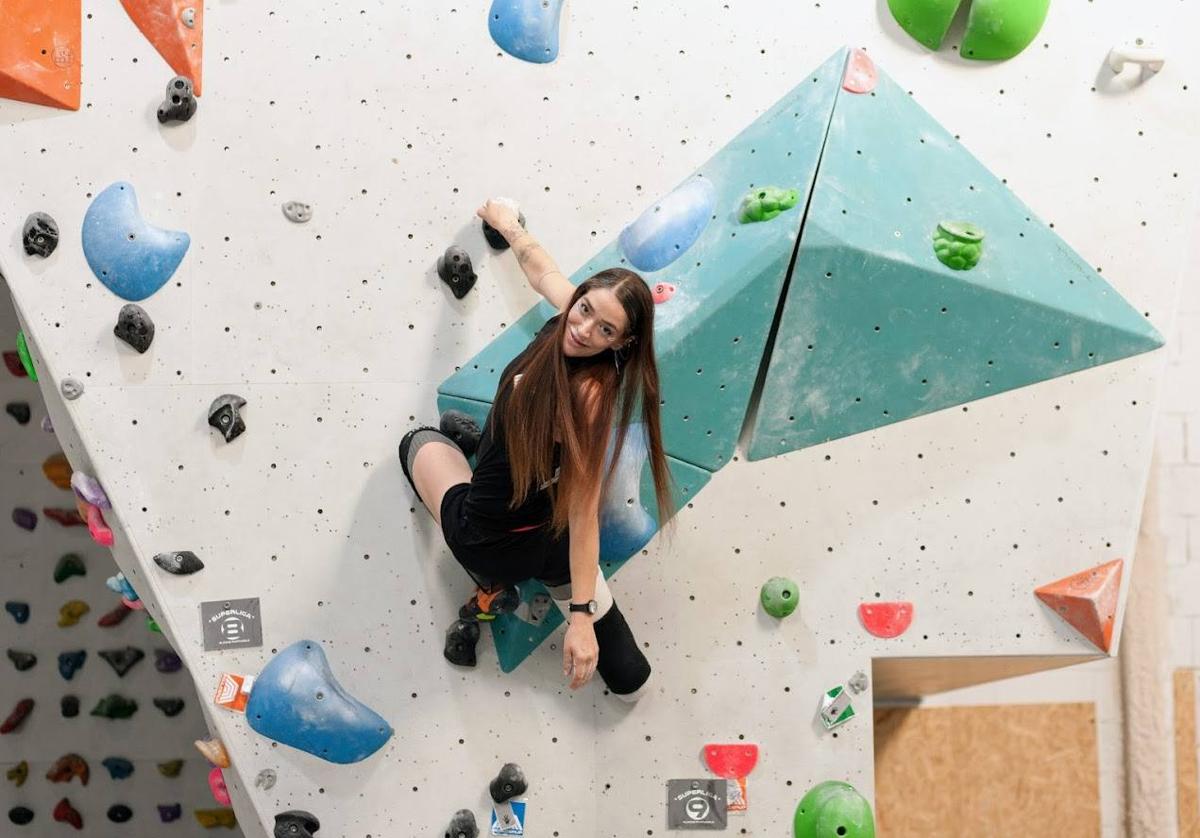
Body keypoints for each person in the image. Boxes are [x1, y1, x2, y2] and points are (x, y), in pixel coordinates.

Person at [399, 199, 676, 700]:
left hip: (487, 536)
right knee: (628, 675)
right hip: (551, 538)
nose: (584, 329)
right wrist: (510, 227)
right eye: (586, 309)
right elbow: (542, 270)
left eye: (604, 330)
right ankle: (483, 448)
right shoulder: (583, 327)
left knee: (416, 442)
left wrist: (581, 619)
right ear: (583, 297)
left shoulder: (587, 400)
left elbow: (586, 511)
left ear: (623, 341)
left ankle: (487, 569)